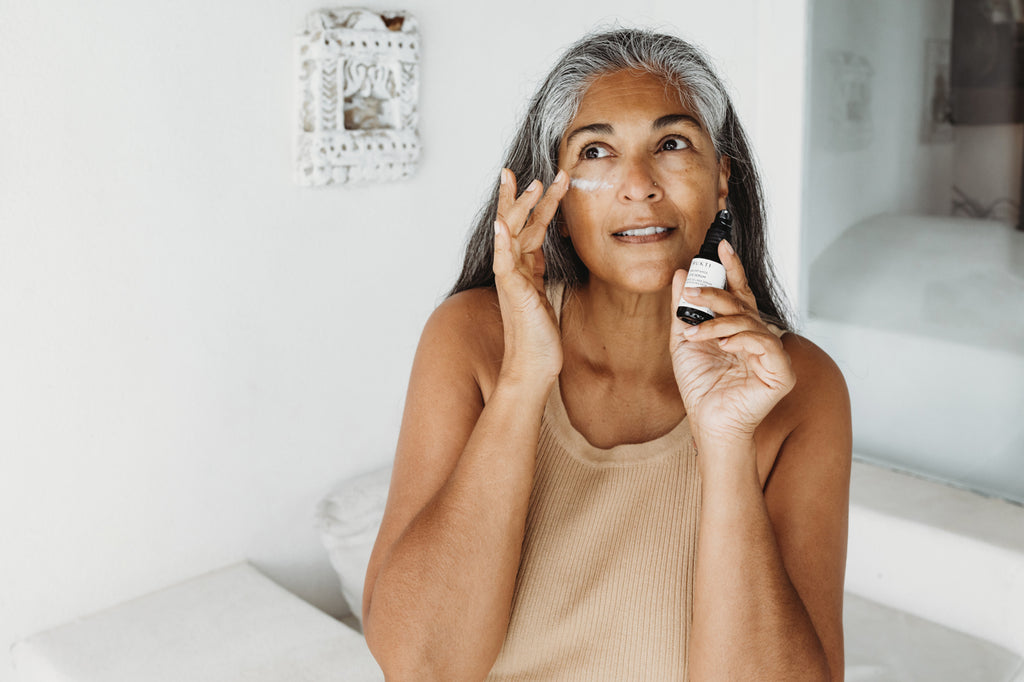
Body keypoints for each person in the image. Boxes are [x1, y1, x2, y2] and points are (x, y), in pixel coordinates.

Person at [362, 28, 851, 681]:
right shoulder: (472, 338)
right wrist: (523, 379)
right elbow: (420, 666)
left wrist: (726, 443)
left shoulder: (800, 387)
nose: (638, 184)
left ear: (722, 181)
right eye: (596, 152)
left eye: (672, 144)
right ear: (558, 204)